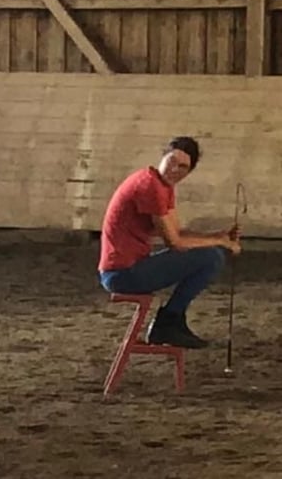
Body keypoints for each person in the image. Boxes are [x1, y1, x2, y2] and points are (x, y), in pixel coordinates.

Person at [98, 136, 242, 348]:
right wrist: (219, 242)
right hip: (122, 274)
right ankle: (168, 321)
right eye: (172, 161)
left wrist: (218, 236)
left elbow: (178, 231)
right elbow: (174, 243)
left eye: (183, 166)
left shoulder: (162, 185)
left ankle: (172, 319)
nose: (175, 169)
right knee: (211, 257)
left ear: (190, 171)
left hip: (127, 268)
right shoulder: (151, 187)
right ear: (162, 157)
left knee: (212, 254)